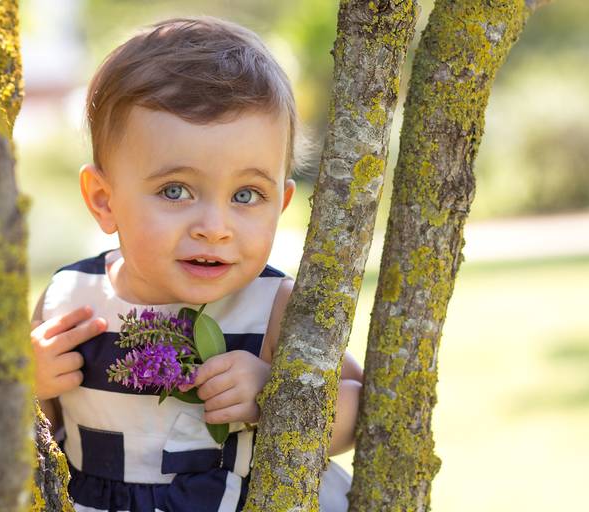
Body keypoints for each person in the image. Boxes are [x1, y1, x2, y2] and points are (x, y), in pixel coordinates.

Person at [29, 16, 364, 512]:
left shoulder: (272, 306)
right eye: (175, 190)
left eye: (246, 195)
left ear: (282, 202)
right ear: (104, 200)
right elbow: (39, 429)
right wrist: (28, 382)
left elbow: (359, 406)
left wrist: (277, 394)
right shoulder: (71, 299)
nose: (215, 226)